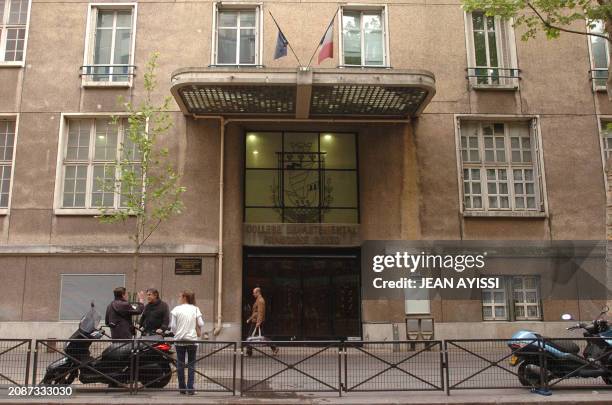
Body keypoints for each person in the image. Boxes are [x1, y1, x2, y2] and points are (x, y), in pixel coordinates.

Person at [170, 290, 204, 395]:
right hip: (192, 340)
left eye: (180, 296)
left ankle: (182, 388)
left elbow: (173, 327)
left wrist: (178, 333)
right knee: (191, 365)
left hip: (179, 340)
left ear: (184, 297)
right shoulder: (195, 309)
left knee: (180, 364)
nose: (179, 298)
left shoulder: (176, 309)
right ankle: (190, 388)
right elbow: (201, 323)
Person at [246, 287, 278, 355]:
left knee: (250, 336)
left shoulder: (260, 300)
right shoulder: (258, 300)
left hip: (257, 322)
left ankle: (249, 352)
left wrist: (258, 322)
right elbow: (256, 312)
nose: (253, 294)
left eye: (254, 293)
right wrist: (250, 319)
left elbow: (261, 312)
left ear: (258, 292)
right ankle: (274, 347)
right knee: (261, 336)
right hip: (255, 321)